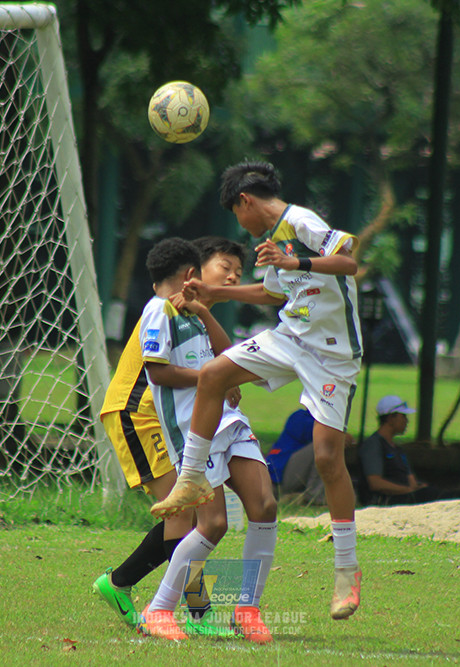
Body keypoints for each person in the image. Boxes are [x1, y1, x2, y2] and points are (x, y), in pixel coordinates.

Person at [150, 160, 363, 621]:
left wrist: (295, 261)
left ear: (245, 202)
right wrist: (216, 293)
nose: (237, 225)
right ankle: (190, 480)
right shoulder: (268, 244)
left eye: (235, 213)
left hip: (332, 353)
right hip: (289, 338)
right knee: (213, 375)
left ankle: (347, 571)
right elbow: (272, 296)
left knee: (328, 457)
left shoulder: (300, 222)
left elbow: (349, 260)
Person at [93, 237, 247, 638]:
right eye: (224, 267)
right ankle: (198, 613)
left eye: (238, 272)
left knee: (190, 514)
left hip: (160, 420)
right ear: (194, 273)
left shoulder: (195, 319)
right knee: (185, 513)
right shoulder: (161, 311)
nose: (231, 277)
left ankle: (122, 583)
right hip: (137, 415)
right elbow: (159, 374)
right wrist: (214, 379)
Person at [359, 395, 451, 505]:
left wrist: (417, 487)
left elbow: (411, 480)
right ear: (390, 418)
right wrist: (408, 491)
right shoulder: (373, 445)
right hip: (387, 500)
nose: (406, 421)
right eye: (403, 416)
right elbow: (375, 483)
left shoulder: (397, 449)